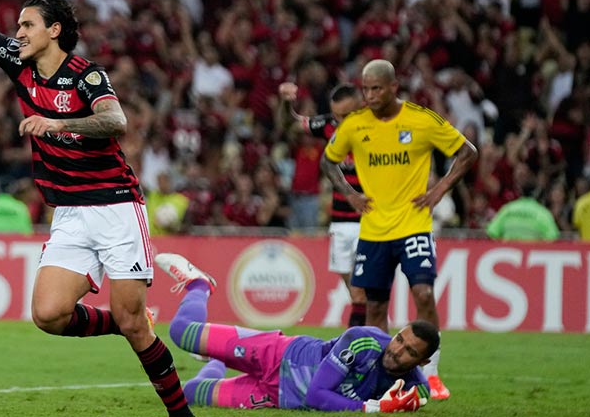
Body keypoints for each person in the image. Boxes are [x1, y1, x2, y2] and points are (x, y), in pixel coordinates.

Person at [0, 0, 195, 416]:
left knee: (137, 329)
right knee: (49, 314)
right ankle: (125, 322)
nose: (17, 32)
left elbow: (116, 121)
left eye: (27, 24)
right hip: (70, 212)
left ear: (54, 30)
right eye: (18, 25)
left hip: (116, 206)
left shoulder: (85, 75)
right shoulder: (17, 64)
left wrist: (55, 121)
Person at [322, 59, 479, 400]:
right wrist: (349, 194)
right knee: (375, 308)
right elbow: (327, 159)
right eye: (365, 89)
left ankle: (433, 375)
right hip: (374, 231)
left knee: (423, 293)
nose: (370, 95)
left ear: (394, 87)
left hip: (414, 226)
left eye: (376, 88)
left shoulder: (420, 119)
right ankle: (381, 378)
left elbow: (467, 152)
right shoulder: (354, 125)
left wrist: (439, 189)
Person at [155, 253, 435, 412]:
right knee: (181, 333)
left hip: (278, 396)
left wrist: (403, 405)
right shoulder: (362, 340)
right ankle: (200, 285)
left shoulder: (417, 386)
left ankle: (217, 359)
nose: (397, 350)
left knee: (190, 393)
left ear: (422, 362)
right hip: (276, 354)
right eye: (399, 340)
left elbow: (420, 395)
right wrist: (369, 409)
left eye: (410, 352)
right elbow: (316, 394)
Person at [279, 82, 367, 327]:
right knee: (354, 290)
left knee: (364, 289)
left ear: (361, 106)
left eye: (345, 115)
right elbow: (291, 123)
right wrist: (287, 102)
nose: (340, 120)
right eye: (337, 114)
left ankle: (364, 336)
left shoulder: (375, 126)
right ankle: (369, 328)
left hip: (369, 218)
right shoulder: (329, 125)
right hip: (340, 219)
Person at [486, 185, 560, 241]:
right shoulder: (542, 212)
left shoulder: (507, 209)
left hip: (508, 253)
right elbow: (552, 236)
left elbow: (492, 232)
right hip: (532, 257)